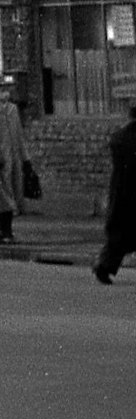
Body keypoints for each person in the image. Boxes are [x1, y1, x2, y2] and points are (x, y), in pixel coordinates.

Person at [94, 98, 136, 285]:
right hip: (131, 189)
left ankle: (105, 265)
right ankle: (104, 265)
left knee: (120, 234)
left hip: (122, 190)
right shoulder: (129, 137)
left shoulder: (121, 137)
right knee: (123, 234)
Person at [0, 72, 27, 246]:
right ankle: (3, 230)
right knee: (0, 196)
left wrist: (25, 159)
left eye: (7, 90)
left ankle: (8, 230)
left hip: (13, 157)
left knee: (13, 193)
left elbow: (19, 135)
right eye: (2, 90)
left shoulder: (13, 109)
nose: (6, 94)